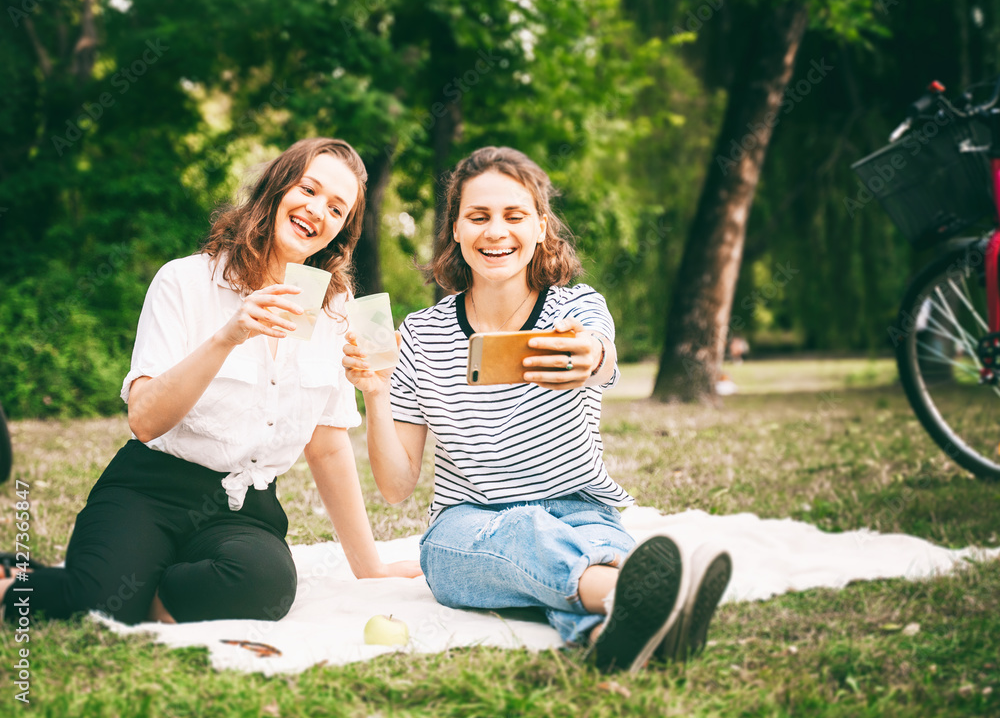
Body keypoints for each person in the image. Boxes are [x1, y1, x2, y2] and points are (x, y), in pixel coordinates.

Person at [0, 137, 419, 626]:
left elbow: (327, 446)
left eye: (336, 208)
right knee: (98, 602)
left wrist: (370, 568)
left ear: (340, 233)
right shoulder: (185, 281)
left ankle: (143, 591)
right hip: (150, 489)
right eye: (308, 189)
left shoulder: (332, 311)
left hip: (243, 509)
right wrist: (231, 334)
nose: (316, 210)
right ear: (276, 186)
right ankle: (23, 580)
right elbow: (145, 420)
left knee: (264, 585)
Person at [343, 146, 732, 673]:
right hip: (466, 533)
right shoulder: (420, 336)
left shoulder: (577, 309)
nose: (495, 231)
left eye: (514, 215)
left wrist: (590, 355)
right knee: (528, 537)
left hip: (579, 512)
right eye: (478, 217)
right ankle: (641, 595)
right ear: (455, 230)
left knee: (573, 552)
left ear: (541, 227)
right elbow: (395, 488)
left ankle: (611, 631)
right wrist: (376, 391)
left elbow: (598, 351)